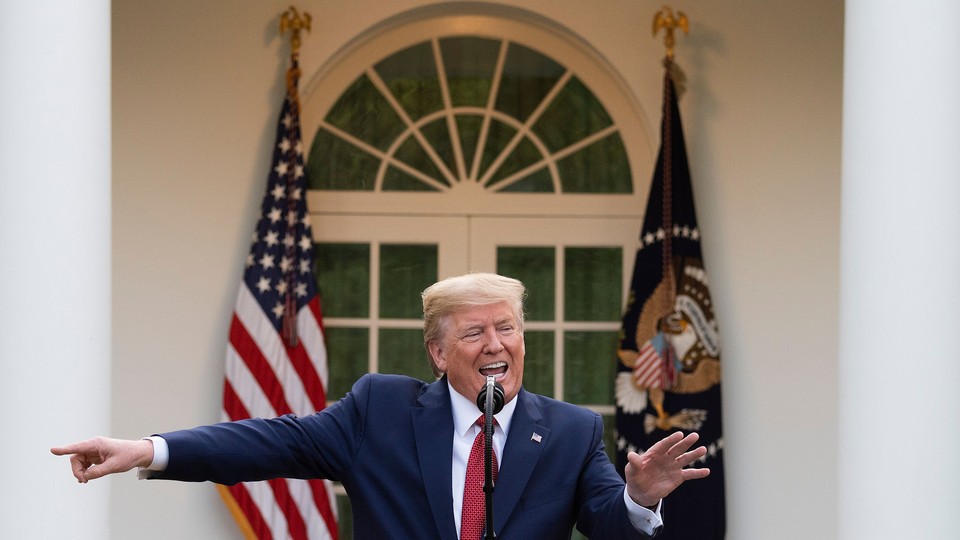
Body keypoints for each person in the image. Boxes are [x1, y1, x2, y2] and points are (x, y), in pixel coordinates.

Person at [52, 273, 709, 539]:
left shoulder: (568, 430)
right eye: (474, 332)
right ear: (437, 351)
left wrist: (638, 500)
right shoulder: (380, 410)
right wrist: (147, 449)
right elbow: (270, 441)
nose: (495, 345)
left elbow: (610, 527)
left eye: (506, 328)